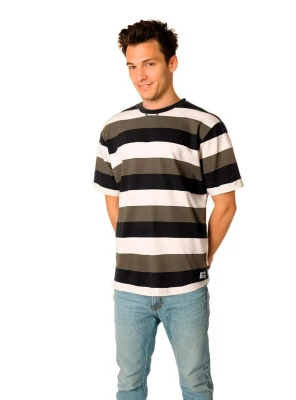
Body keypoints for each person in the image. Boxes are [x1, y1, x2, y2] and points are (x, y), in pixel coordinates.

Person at [93, 19, 244, 400]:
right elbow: (113, 201)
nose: (140, 76)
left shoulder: (205, 126)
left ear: (172, 63)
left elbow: (226, 205)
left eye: (149, 64)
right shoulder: (113, 130)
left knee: (195, 384)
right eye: (132, 66)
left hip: (186, 289)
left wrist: (202, 256)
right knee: (129, 384)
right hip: (129, 288)